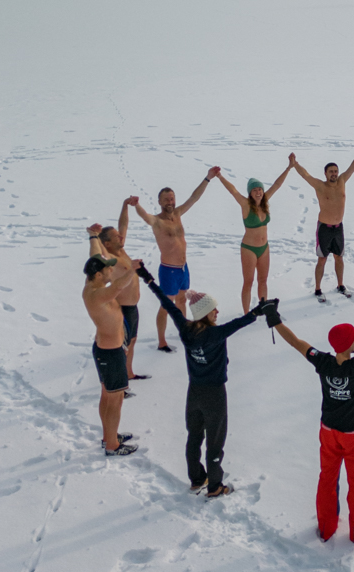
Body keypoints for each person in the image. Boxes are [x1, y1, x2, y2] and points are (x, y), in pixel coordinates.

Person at [264, 302, 354, 542]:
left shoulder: (322, 361)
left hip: (328, 432)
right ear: (349, 344)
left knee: (327, 479)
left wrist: (273, 317)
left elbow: (296, 342)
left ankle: (326, 528)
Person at [136, 263, 268, 495]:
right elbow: (239, 323)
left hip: (194, 392)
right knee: (215, 441)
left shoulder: (186, 328)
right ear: (205, 312)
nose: (217, 312)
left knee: (194, 436)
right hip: (215, 394)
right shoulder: (215, 333)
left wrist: (148, 279)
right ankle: (215, 486)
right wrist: (258, 312)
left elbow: (167, 303)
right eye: (213, 309)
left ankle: (197, 478)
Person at [130, 171, 219, 351]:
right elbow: (145, 216)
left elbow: (194, 197)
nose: (170, 202)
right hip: (169, 270)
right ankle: (161, 341)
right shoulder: (157, 221)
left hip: (183, 268)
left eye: (172, 199)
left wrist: (208, 178)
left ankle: (184, 332)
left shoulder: (177, 214)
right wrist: (136, 205)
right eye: (166, 200)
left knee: (182, 301)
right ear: (159, 202)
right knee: (166, 306)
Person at [81, 239, 139, 456]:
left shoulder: (94, 284)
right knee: (114, 400)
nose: (111, 271)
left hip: (109, 350)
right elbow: (118, 286)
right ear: (98, 275)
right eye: (107, 269)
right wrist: (132, 270)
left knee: (108, 396)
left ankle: (109, 437)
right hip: (110, 354)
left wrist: (93, 237)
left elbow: (95, 256)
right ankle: (112, 446)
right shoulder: (97, 294)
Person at [288, 146, 354, 300]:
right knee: (322, 259)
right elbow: (305, 175)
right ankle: (318, 289)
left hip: (338, 228)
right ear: (325, 173)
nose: (334, 174)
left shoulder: (342, 181)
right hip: (324, 228)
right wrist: (294, 163)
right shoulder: (320, 186)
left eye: (336, 171)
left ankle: (340, 285)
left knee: (339, 258)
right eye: (331, 171)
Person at [211, 166, 292, 312]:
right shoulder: (246, 205)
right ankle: (246, 314)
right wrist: (220, 177)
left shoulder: (265, 202)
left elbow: (277, 184)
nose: (258, 192)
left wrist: (289, 167)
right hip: (249, 248)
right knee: (248, 282)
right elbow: (233, 191)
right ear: (250, 193)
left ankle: (264, 308)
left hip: (264, 247)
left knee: (263, 280)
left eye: (260, 189)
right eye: (254, 190)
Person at [89, 202, 148, 384]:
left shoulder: (121, 250)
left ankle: (129, 373)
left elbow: (124, 225)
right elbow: (96, 254)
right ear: (107, 243)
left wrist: (125, 205)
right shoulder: (111, 258)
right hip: (122, 309)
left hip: (133, 308)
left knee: (132, 341)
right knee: (121, 346)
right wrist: (94, 236)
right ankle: (117, 382)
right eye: (116, 236)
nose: (121, 236)